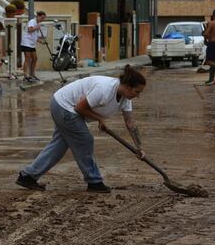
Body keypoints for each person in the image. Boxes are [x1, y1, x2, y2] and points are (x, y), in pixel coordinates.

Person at [16, 65, 146, 193]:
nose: (138, 96)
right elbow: (80, 108)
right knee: (85, 140)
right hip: (64, 106)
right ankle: (94, 181)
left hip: (67, 108)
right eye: (137, 92)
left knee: (58, 146)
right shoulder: (104, 89)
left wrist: (139, 147)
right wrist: (99, 119)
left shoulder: (125, 98)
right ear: (128, 87)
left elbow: (130, 122)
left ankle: (28, 176)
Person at [20, 11, 46, 82]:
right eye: (41, 18)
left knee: (35, 58)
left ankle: (32, 74)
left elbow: (35, 36)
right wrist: (36, 27)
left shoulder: (37, 23)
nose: (42, 19)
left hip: (32, 44)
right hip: (26, 43)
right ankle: (25, 76)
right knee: (27, 59)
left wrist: (42, 42)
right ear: (37, 16)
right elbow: (29, 30)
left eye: (43, 18)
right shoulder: (32, 21)